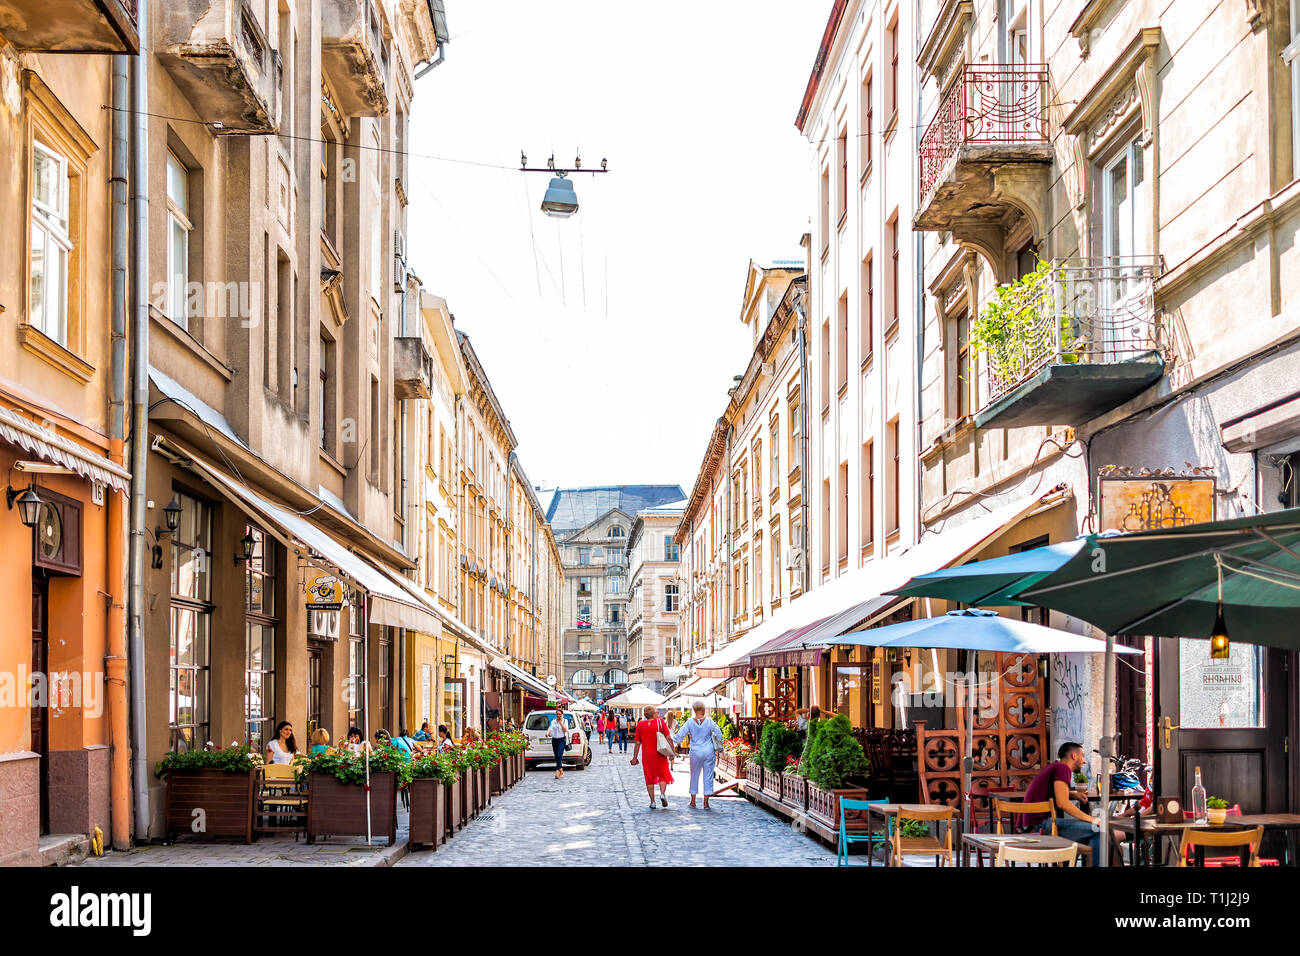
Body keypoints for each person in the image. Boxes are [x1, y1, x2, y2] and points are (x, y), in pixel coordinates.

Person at [1021, 741, 1104, 865]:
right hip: (1042, 825)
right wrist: (1092, 819)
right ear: (1074, 756)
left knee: (1079, 836)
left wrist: (1073, 794)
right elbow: (1062, 804)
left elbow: (1054, 790)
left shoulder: (1055, 766)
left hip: (1032, 824)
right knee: (1098, 831)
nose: (1084, 761)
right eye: (1082, 756)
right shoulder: (1063, 768)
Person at [672, 701, 726, 809]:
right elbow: (719, 734)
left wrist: (670, 740)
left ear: (694, 710)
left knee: (694, 775)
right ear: (704, 709)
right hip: (708, 751)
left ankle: (693, 801)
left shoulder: (689, 722)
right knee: (708, 776)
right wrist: (718, 743)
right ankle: (706, 803)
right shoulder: (709, 721)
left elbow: (679, 736)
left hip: (695, 752)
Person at [630, 704, 674, 809]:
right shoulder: (660, 723)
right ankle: (662, 794)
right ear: (654, 714)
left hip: (647, 756)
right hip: (660, 753)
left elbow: (637, 743)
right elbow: (669, 738)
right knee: (663, 775)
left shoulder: (640, 725)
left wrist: (634, 757)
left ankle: (652, 802)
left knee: (649, 778)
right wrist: (672, 753)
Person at [547, 710, 569, 779]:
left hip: (562, 740)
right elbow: (550, 728)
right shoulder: (553, 721)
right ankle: (561, 770)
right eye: (557, 714)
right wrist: (547, 733)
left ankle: (557, 771)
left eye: (559, 714)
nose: (558, 715)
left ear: (562, 714)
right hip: (554, 740)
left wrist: (560, 723)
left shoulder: (565, 721)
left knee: (559, 755)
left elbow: (565, 730)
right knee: (557, 756)